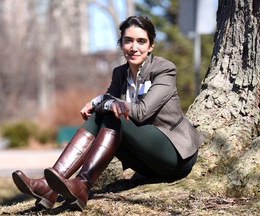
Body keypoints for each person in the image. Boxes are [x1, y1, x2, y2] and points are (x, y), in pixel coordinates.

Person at [12, 15, 204, 211]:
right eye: (128, 41)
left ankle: (81, 184)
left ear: (151, 45)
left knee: (113, 113)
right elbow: (108, 101)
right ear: (121, 44)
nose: (134, 47)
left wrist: (105, 102)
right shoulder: (120, 73)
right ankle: (50, 186)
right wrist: (99, 102)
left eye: (141, 41)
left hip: (174, 154)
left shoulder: (164, 69)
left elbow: (142, 112)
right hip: (146, 163)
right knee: (103, 114)